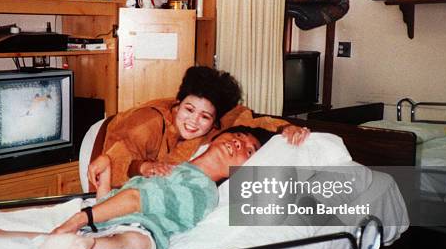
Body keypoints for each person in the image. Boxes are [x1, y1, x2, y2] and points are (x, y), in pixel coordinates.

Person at [0, 126, 275, 249]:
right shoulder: (178, 167)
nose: (238, 144)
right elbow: (120, 198)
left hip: (140, 235)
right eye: (236, 138)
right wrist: (102, 183)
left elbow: (140, 204)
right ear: (214, 140)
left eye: (247, 151)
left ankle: (82, 247)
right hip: (110, 220)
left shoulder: (205, 191)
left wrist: (78, 219)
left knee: (130, 239)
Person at [89, 66, 308, 189]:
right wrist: (143, 167)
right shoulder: (148, 122)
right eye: (189, 110)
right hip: (100, 149)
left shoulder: (217, 125)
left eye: (204, 116)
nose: (193, 121)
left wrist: (287, 128)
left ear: (215, 121)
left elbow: (250, 120)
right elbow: (113, 164)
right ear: (178, 103)